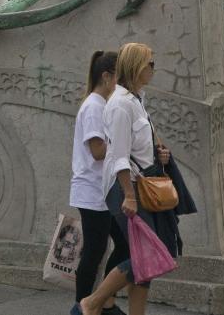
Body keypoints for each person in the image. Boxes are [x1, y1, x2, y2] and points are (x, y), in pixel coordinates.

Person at [78, 42, 174, 315]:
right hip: (128, 187)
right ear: (135, 66)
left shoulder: (136, 100)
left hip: (142, 184)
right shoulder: (120, 104)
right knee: (147, 255)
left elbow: (135, 147)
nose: (153, 69)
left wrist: (159, 156)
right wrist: (129, 195)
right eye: (149, 64)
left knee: (147, 260)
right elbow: (118, 154)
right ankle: (92, 302)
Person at [69, 51, 128, 315]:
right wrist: (124, 141)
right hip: (92, 190)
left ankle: (103, 299)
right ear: (106, 76)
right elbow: (97, 150)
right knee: (94, 251)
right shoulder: (93, 106)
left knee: (122, 245)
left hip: (103, 189)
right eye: (119, 76)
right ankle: (84, 304)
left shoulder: (102, 104)